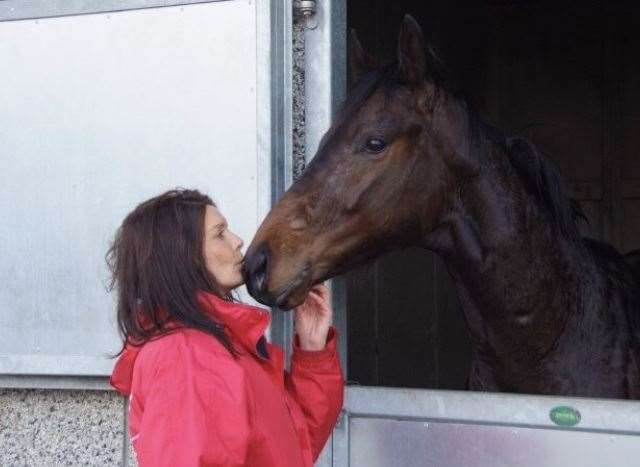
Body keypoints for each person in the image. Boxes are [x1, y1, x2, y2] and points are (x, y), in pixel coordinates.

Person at [108, 189, 344, 466]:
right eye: (220, 234)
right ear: (181, 254)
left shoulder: (219, 343)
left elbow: (290, 447)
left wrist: (312, 350)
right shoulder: (185, 355)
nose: (238, 241)